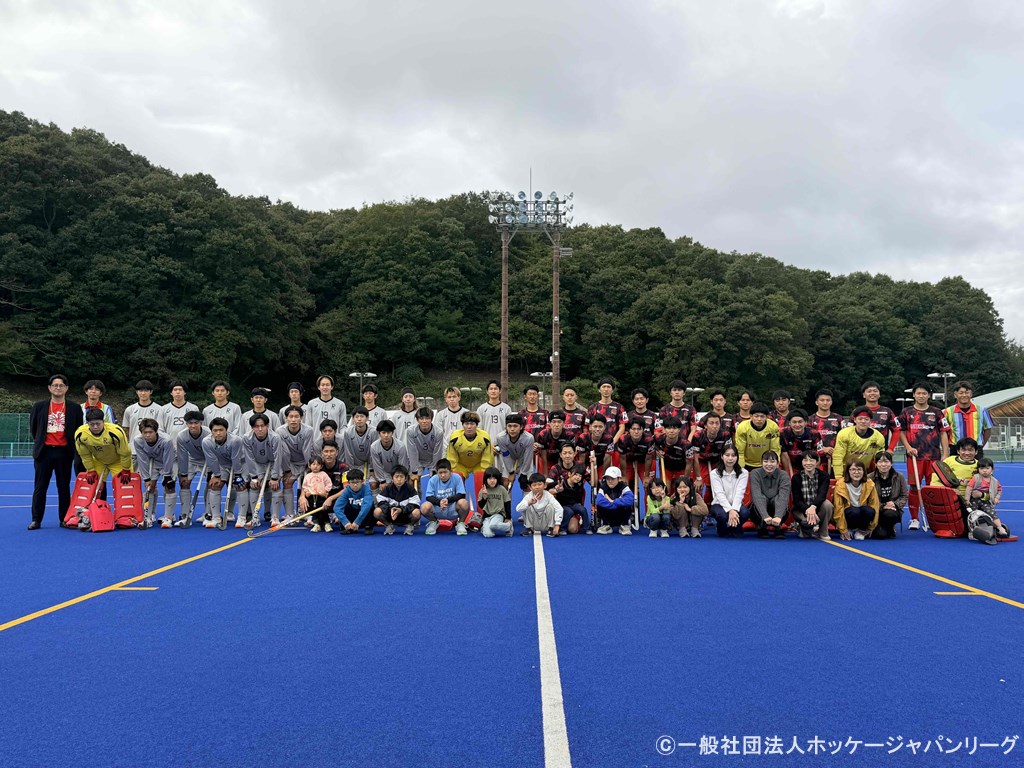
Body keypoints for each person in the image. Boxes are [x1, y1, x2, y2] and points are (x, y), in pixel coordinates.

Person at [29, 374, 85, 529]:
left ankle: (64, 518)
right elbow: (34, 429)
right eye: (55, 385)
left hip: (64, 452)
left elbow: (78, 430)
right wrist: (41, 443)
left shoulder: (74, 408)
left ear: (66, 388)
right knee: (40, 487)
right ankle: (36, 519)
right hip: (44, 452)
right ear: (49, 388)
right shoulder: (39, 407)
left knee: (64, 487)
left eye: (61, 385)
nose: (58, 388)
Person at [898, 381, 950, 529]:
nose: (921, 396)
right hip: (915, 457)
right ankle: (914, 519)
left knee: (932, 488)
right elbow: (901, 432)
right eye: (918, 393)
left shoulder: (937, 412)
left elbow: (943, 433)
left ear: (929, 395)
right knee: (914, 487)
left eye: (924, 393)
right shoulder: (906, 412)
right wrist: (908, 447)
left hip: (933, 457)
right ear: (914, 395)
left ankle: (934, 518)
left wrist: (945, 454)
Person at [72, 408, 133, 514]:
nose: (95, 427)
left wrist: (126, 469)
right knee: (93, 486)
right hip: (99, 460)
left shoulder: (116, 432)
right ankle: (96, 512)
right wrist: (90, 470)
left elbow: (125, 452)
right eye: (92, 424)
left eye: (98, 424)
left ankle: (126, 515)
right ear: (87, 424)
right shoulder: (80, 434)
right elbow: (85, 455)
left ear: (103, 422)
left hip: (118, 460)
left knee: (124, 487)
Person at [200, 417, 245, 528]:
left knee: (240, 485)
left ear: (226, 430)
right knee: (215, 485)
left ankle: (242, 517)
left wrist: (238, 475)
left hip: (241, 463)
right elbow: (211, 460)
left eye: (221, 430)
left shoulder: (235, 440)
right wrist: (217, 475)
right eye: (215, 430)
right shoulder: (206, 442)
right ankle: (216, 517)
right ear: (211, 431)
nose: (218, 433)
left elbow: (236, 458)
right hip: (223, 465)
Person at [131, 418, 177, 527]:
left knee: (169, 486)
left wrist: (167, 476)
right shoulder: (138, 440)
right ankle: (148, 516)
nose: (147, 435)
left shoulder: (166, 440)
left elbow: (168, 458)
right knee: (150, 487)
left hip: (170, 460)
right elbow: (142, 460)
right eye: (145, 432)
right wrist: (146, 478)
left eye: (150, 432)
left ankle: (169, 517)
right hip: (154, 460)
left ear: (156, 431)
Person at [241, 413, 283, 528]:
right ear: (252, 427)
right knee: (255, 486)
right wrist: (254, 477)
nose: (260, 429)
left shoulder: (275, 437)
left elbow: (278, 457)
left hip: (273, 462)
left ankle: (275, 517)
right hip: (257, 462)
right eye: (256, 426)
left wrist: (274, 477)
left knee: (275, 486)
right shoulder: (246, 438)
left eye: (262, 426)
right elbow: (249, 458)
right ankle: (255, 518)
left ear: (267, 426)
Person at [276, 405, 315, 523]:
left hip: (306, 462)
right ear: (286, 418)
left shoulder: (308, 430)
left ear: (301, 418)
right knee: (287, 482)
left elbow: (307, 450)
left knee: (308, 485)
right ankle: (290, 514)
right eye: (291, 417)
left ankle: (307, 513)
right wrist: (287, 470)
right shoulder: (280, 431)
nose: (293, 420)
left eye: (296, 417)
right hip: (291, 463)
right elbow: (284, 453)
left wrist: (310, 468)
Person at [173, 411, 209, 527]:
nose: (193, 426)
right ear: (186, 424)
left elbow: (214, 453)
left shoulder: (209, 434)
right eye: (190, 423)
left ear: (201, 423)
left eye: (196, 423)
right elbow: (182, 456)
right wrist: (183, 474)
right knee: (184, 483)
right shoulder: (182, 436)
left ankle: (208, 514)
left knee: (212, 484)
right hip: (191, 460)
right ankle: (185, 515)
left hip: (207, 460)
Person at [790, 450, 834, 540]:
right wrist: (808, 510)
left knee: (828, 504)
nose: (808, 463)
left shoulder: (824, 476)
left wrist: (813, 507)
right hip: (801, 510)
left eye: (811, 460)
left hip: (817, 508)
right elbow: (797, 500)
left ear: (817, 462)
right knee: (806, 527)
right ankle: (804, 529)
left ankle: (823, 532)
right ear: (802, 462)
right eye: (805, 460)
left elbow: (822, 495)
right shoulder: (796, 477)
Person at [832, 406, 886, 478]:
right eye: (860, 419)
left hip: (863, 472)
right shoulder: (844, 434)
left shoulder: (878, 437)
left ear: (870, 421)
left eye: (866, 419)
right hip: (845, 471)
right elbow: (838, 456)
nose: (863, 421)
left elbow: (879, 459)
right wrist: (838, 476)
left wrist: (881, 475)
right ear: (855, 420)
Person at [446, 412, 492, 494]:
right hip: (460, 465)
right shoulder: (455, 438)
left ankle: (481, 502)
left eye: (472, 424)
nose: (469, 427)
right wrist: (452, 470)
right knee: (455, 482)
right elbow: (451, 457)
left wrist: (485, 472)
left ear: (477, 425)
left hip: (478, 465)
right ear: (462, 425)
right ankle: (459, 501)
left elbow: (487, 458)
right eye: (466, 424)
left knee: (481, 481)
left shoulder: (485, 438)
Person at [833, 460, 880, 541]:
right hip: (849, 513)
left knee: (869, 511)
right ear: (848, 471)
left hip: (862, 512)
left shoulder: (869, 484)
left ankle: (861, 530)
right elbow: (838, 508)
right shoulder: (840, 485)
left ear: (863, 471)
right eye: (853, 469)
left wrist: (871, 528)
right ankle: (850, 528)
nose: (856, 472)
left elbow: (875, 505)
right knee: (854, 511)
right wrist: (843, 530)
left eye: (859, 469)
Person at [709, 445, 750, 538]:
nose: (730, 458)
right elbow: (719, 494)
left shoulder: (743, 473)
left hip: (736, 504)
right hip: (719, 504)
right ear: (722, 456)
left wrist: (734, 509)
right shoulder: (714, 473)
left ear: (737, 457)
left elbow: (740, 493)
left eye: (733, 455)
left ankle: (735, 527)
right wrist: (730, 510)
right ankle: (721, 528)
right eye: (727, 455)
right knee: (722, 516)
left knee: (745, 512)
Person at [422, 459, 471, 535]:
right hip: (438, 508)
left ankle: (461, 523)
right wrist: (439, 502)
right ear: (437, 472)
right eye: (440, 473)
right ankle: (434, 522)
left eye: (445, 472)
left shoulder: (457, 478)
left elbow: (461, 494)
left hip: (452, 508)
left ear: (451, 471)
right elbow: (429, 497)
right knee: (424, 507)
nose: (443, 475)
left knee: (464, 503)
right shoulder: (432, 480)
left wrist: (448, 500)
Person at [748, 450, 791, 538]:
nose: (769, 464)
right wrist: (765, 516)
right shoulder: (755, 473)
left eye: (772, 461)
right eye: (766, 461)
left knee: (780, 501)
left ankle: (778, 526)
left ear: (778, 463)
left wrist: (778, 516)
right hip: (761, 509)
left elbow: (783, 497)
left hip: (776, 508)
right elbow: (756, 495)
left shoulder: (784, 475)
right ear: (761, 462)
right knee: (757, 502)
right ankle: (762, 526)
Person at [943, 380, 994, 453]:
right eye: (961, 393)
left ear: (971, 394)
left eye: (967, 392)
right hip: (955, 449)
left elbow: (988, 429)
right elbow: (944, 432)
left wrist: (981, 445)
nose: (964, 395)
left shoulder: (982, 411)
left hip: (975, 448)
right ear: (955, 395)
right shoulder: (948, 412)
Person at [689, 412, 733, 492]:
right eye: (711, 423)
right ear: (705, 425)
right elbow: (695, 458)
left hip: (717, 461)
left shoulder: (725, 435)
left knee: (718, 487)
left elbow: (728, 454)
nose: (714, 426)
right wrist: (698, 478)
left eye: (717, 423)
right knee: (699, 487)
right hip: (701, 462)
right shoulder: (697, 436)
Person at [965, 458, 1009, 539]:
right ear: (978, 470)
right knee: (972, 514)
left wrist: (997, 498)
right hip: (974, 500)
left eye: (987, 468)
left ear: (992, 469)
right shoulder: (976, 478)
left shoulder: (995, 481)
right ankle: (971, 531)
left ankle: (1000, 528)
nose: (984, 470)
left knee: (992, 513)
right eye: (982, 468)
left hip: (986, 501)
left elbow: (999, 490)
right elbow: (969, 488)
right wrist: (967, 499)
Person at [869, 451, 907, 539]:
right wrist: (883, 506)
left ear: (891, 463)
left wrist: (895, 504)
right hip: (876, 509)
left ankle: (889, 526)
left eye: (886, 461)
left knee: (890, 514)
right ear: (875, 464)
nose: (883, 464)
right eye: (880, 462)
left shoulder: (899, 477)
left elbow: (904, 495)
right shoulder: (870, 478)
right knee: (880, 535)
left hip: (892, 509)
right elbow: (868, 498)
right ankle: (877, 525)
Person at [373, 464, 421, 535]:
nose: (399, 479)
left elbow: (415, 505)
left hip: (405, 515)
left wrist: (401, 510)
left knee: (417, 512)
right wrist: (390, 509)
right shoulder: (387, 489)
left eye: (401, 477)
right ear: (392, 478)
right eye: (396, 477)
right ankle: (389, 525)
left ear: (405, 478)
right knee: (377, 511)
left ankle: (410, 525)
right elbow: (381, 502)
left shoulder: (410, 489)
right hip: (391, 515)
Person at [930, 437, 980, 503]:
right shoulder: (949, 461)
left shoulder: (980, 465)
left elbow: (988, 486)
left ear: (976, 452)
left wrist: (981, 495)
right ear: (958, 451)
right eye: (963, 450)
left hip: (971, 500)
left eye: (970, 450)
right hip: (949, 497)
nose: (967, 453)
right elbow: (934, 482)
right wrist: (948, 490)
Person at [733, 402, 781, 471]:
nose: (759, 419)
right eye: (756, 416)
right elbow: (740, 452)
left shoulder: (773, 427)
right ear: (751, 416)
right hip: (747, 463)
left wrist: (774, 465)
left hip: (766, 463)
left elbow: (775, 449)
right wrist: (741, 469)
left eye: (762, 416)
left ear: (767, 417)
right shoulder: (742, 427)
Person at [494, 413, 536, 491]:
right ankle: (506, 498)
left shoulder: (529, 438)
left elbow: (528, 457)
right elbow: (505, 455)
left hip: (523, 459)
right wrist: (511, 472)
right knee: (506, 483)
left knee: (526, 485)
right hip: (510, 458)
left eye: (515, 426)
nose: (512, 429)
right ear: (506, 427)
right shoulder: (500, 437)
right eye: (509, 426)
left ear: (521, 427)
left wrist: (523, 474)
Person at [122, 380, 163, 457]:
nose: (143, 393)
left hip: (153, 450)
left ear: (151, 392)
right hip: (134, 450)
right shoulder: (129, 409)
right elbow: (126, 429)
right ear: (137, 392)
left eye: (146, 391)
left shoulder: (159, 409)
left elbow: (160, 430)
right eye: (140, 391)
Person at [516, 471, 564, 537]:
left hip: (546, 524)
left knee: (550, 506)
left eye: (539, 484)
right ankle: (529, 529)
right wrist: (529, 503)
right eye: (534, 485)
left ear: (545, 485)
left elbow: (559, 508)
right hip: (533, 524)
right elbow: (518, 509)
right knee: (526, 505)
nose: (537, 487)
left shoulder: (548, 495)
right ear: (530, 487)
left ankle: (550, 529)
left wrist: (557, 525)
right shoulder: (528, 496)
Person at [807, 388, 843, 474]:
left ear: (831, 402)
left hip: (835, 459)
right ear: (817, 402)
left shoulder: (839, 419)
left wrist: (834, 450)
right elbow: (807, 441)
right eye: (822, 400)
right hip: (816, 460)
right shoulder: (810, 420)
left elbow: (844, 438)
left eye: (828, 400)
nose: (825, 403)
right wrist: (822, 449)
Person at [405, 407, 446, 480]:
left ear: (431, 419)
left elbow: (437, 453)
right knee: (412, 480)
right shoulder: (411, 431)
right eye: (421, 419)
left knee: (436, 480)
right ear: (417, 420)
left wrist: (435, 469)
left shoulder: (438, 432)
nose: (424, 421)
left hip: (432, 459)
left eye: (427, 418)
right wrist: (414, 471)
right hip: (418, 459)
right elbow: (412, 452)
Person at [858, 380, 900, 451]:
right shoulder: (858, 411)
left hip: (881, 453)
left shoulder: (887, 411)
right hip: (861, 452)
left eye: (875, 391)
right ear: (864, 395)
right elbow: (849, 431)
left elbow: (897, 430)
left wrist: (890, 448)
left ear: (879, 394)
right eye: (869, 391)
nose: (872, 393)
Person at [653, 416, 692, 490]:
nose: (671, 431)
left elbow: (689, 463)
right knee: (666, 490)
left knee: (679, 490)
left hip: (681, 469)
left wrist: (685, 479)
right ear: (664, 429)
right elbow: (651, 446)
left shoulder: (686, 444)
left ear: (679, 430)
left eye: (675, 428)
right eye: (668, 428)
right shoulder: (658, 438)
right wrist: (656, 451)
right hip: (666, 468)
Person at [333, 467, 376, 534]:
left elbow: (366, 506)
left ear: (362, 481)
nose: (355, 485)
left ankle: (368, 526)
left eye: (357, 482)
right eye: (352, 482)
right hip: (351, 516)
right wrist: (345, 521)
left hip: (363, 516)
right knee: (345, 506)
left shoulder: (367, 490)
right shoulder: (346, 491)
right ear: (348, 483)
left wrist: (357, 522)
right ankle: (348, 526)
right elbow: (337, 507)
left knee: (370, 507)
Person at [369, 419, 411, 487]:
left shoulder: (400, 446)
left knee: (406, 484)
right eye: (383, 433)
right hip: (385, 472)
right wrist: (382, 481)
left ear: (392, 433)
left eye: (388, 432)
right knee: (374, 485)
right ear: (379, 433)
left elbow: (402, 466)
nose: (386, 435)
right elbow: (377, 466)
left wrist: (399, 479)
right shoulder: (374, 447)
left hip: (398, 472)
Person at [594, 465, 635, 535]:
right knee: (600, 505)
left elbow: (630, 500)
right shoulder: (603, 488)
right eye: (607, 479)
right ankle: (606, 525)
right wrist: (615, 504)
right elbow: (599, 501)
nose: (610, 481)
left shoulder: (624, 487)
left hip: (621, 515)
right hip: (608, 515)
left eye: (612, 479)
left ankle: (624, 525)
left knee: (628, 506)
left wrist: (614, 501)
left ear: (619, 479)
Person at [340, 406, 378, 481]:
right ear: (353, 419)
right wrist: (351, 469)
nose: (359, 419)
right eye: (357, 417)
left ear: (367, 418)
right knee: (353, 482)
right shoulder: (348, 432)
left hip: (369, 464)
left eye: (362, 416)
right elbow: (348, 453)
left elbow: (374, 453)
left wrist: (372, 469)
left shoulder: (373, 431)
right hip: (354, 464)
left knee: (372, 483)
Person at [615, 417, 654, 488]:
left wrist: (646, 476)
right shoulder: (623, 439)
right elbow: (622, 458)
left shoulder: (649, 440)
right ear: (629, 430)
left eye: (639, 429)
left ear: (643, 430)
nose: (636, 432)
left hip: (643, 463)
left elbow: (648, 459)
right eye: (633, 429)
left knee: (648, 484)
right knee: (623, 484)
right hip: (627, 462)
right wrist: (624, 476)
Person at [588, 378, 629, 445]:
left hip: (614, 444)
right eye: (604, 387)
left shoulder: (620, 407)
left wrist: (612, 442)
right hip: (596, 444)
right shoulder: (592, 407)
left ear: (612, 390)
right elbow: (588, 427)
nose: (606, 389)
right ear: (599, 390)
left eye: (608, 387)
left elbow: (622, 427)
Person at [779, 409, 821, 474]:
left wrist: (813, 473)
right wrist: (787, 475)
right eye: (794, 422)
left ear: (805, 422)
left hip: (809, 464)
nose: (797, 425)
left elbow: (817, 455)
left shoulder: (814, 434)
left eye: (800, 422)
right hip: (791, 465)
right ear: (789, 423)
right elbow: (784, 456)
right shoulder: (783, 434)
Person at [551, 462, 589, 534]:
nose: (578, 477)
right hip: (562, 505)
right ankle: (563, 529)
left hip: (573, 505)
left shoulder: (579, 485)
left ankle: (586, 528)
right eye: (575, 475)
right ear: (569, 474)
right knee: (569, 511)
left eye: (580, 476)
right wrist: (556, 490)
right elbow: (547, 490)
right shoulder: (561, 483)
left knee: (582, 509)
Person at [300, 454, 334, 532]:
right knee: (314, 511)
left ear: (321, 466)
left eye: (318, 465)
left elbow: (329, 484)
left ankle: (327, 524)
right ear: (309, 465)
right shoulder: (308, 476)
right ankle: (316, 524)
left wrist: (325, 491)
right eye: (313, 464)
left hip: (321, 496)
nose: (316, 466)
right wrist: (307, 492)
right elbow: (305, 486)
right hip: (312, 497)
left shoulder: (323, 474)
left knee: (323, 510)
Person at [476, 466, 513, 537]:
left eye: (494, 478)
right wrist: (484, 497)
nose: (492, 481)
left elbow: (507, 503)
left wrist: (508, 517)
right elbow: (481, 506)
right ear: (486, 479)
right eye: (489, 478)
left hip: (498, 514)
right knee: (488, 535)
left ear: (498, 479)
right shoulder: (483, 490)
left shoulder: (502, 489)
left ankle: (509, 526)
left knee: (493, 525)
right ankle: (484, 528)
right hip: (487, 516)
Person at [535, 411, 571, 475]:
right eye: (554, 422)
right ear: (549, 423)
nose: (556, 425)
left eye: (559, 422)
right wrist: (546, 475)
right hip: (547, 460)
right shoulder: (543, 434)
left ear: (563, 423)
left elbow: (570, 455)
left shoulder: (569, 435)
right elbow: (543, 455)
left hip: (562, 461)